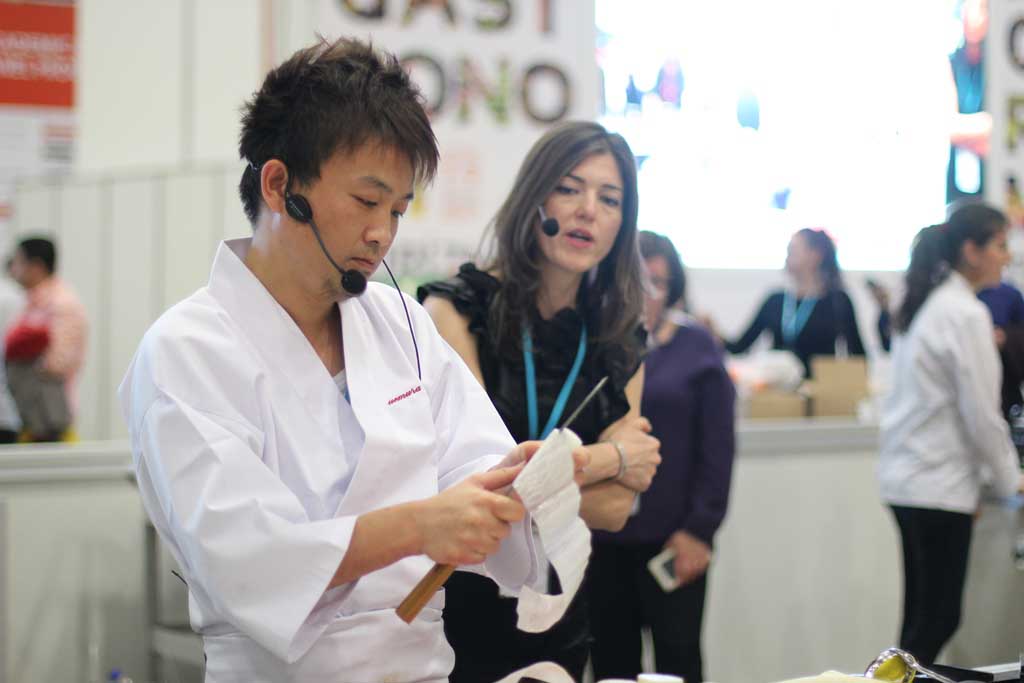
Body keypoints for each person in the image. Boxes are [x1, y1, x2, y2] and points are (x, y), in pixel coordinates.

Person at [119, 37, 584, 683]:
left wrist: (512, 481)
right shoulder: (186, 351)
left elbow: (471, 458)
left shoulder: (400, 322)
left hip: (421, 666)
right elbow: (249, 558)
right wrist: (419, 526)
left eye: (397, 210)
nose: (382, 233)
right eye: (367, 202)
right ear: (280, 185)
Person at [419, 120, 661, 682]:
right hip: (456, 604)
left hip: (558, 611)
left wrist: (544, 483)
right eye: (569, 188)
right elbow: (482, 487)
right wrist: (609, 459)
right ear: (534, 198)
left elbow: (616, 509)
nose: (587, 211)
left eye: (610, 199)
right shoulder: (456, 311)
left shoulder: (619, 338)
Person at [879, 203, 1024, 664]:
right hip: (937, 485)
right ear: (971, 251)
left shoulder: (928, 303)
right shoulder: (964, 314)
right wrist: (1011, 480)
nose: (1008, 256)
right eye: (1000, 245)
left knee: (919, 622)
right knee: (936, 620)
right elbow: (981, 414)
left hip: (911, 481)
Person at [587, 231, 735, 683]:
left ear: (673, 288)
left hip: (675, 540)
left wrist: (699, 531)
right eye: (634, 280)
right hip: (602, 541)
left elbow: (718, 451)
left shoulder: (697, 349)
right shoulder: (595, 345)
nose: (645, 293)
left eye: (657, 282)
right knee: (611, 662)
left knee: (679, 658)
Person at [717, 228, 865, 378]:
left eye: (792, 251)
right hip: (780, 389)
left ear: (815, 255)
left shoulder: (837, 302)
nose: (787, 258)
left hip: (820, 388)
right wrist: (713, 332)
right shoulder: (775, 300)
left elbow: (858, 355)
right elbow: (739, 347)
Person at [5, 237, 87, 441]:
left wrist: (21, 355)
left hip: (49, 416)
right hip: (28, 415)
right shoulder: (30, 301)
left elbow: (59, 362)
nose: (12, 268)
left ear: (36, 267)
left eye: (18, 262)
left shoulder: (62, 304)